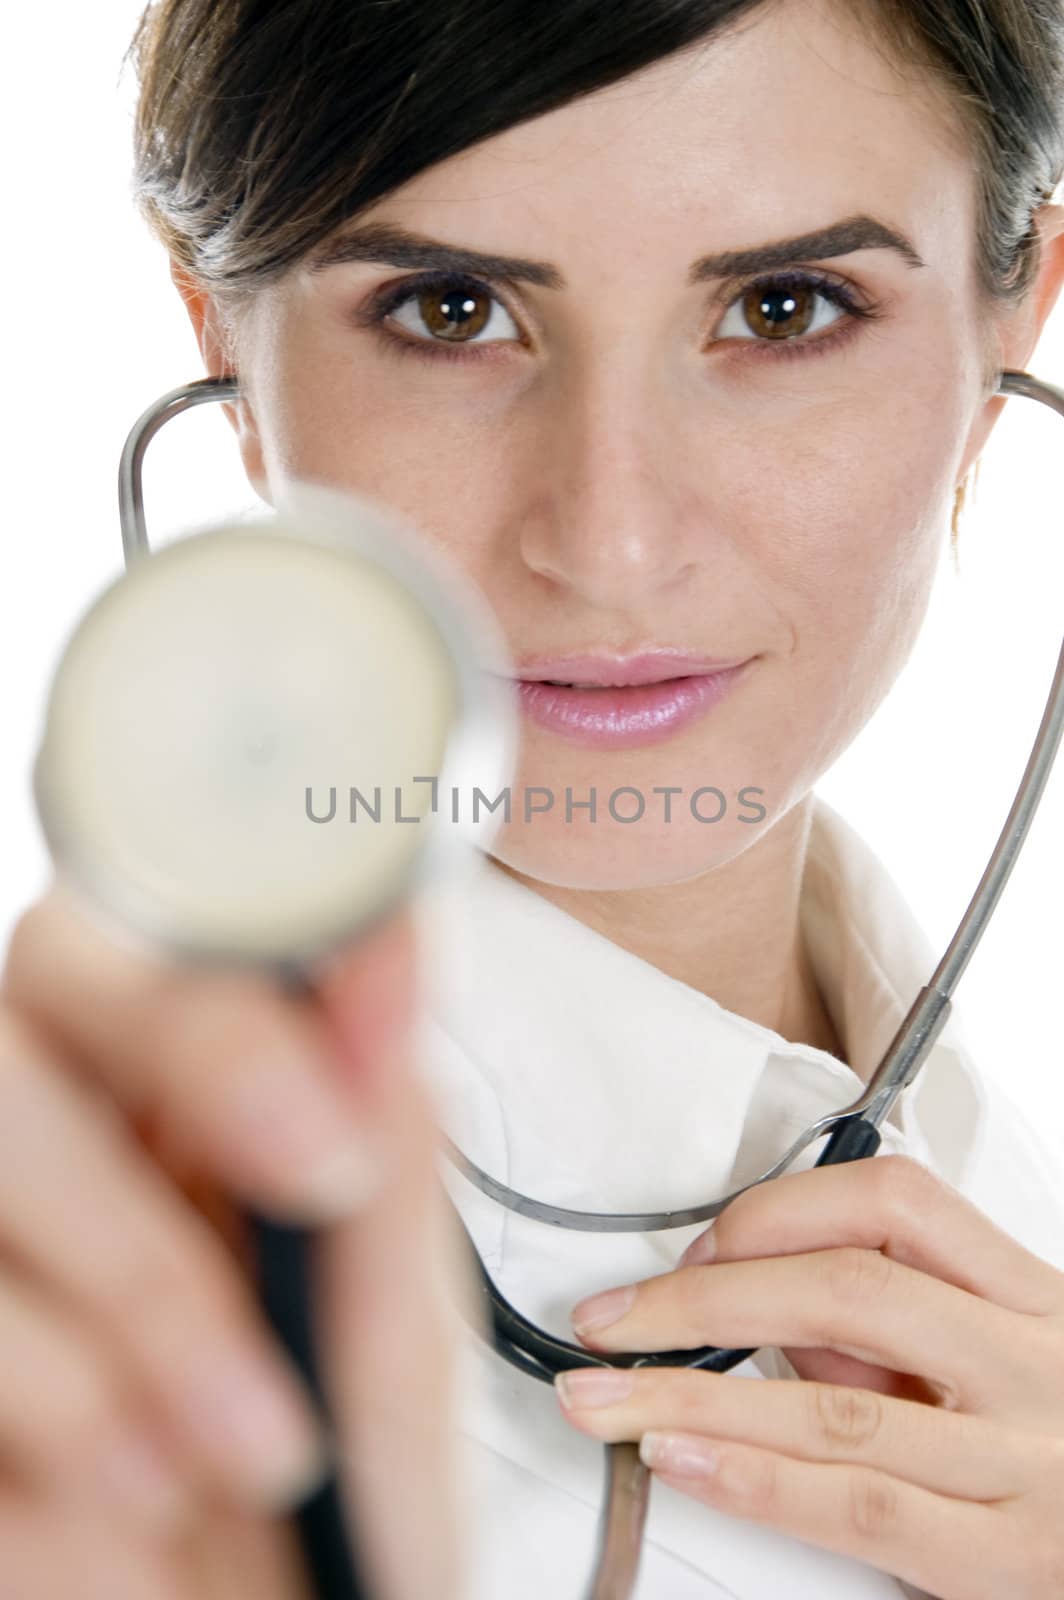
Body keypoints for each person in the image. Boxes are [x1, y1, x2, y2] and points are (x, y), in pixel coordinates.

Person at [3, 0, 1064, 1595]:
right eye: (449, 309)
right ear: (220, 336)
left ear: (1014, 323)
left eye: (783, 308)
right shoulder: (84, 1330)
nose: (610, 539)